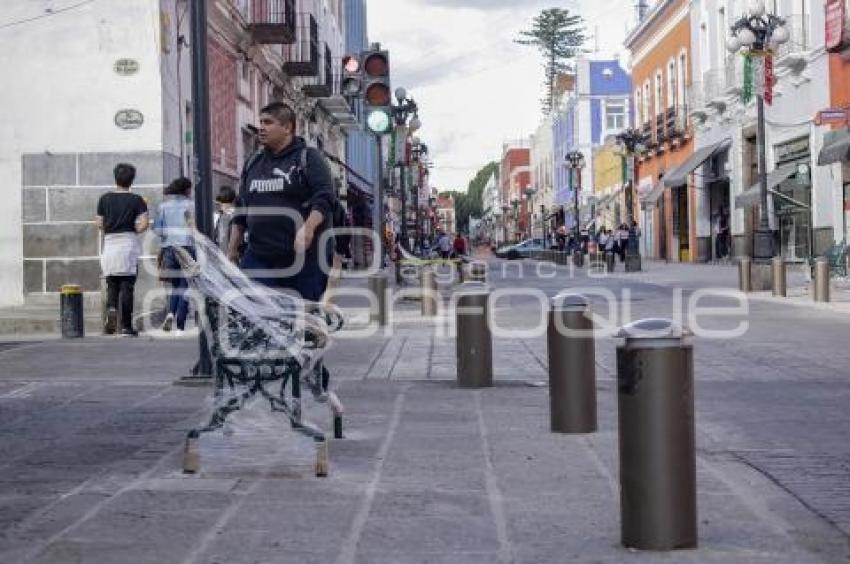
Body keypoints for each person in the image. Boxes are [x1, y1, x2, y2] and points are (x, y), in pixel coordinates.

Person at [227, 102, 335, 302]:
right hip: (259, 257)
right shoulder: (253, 163)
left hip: (304, 259)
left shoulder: (309, 158)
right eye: (260, 122)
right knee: (256, 313)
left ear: (287, 127)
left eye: (268, 122)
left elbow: (325, 198)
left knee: (304, 320)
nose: (261, 127)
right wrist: (232, 249)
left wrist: (308, 228)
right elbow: (241, 208)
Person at [96, 163, 149, 337]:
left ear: (115, 178)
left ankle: (111, 309)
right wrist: (134, 230)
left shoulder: (104, 199)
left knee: (112, 284)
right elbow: (144, 223)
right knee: (127, 286)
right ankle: (126, 326)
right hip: (128, 243)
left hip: (110, 243)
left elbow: (99, 224)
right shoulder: (137, 200)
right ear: (131, 180)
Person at [154, 177, 195, 335]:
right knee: (185, 287)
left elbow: (158, 230)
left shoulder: (163, 207)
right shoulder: (191, 206)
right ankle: (180, 326)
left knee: (176, 286)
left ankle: (171, 312)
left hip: (169, 249)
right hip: (187, 249)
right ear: (186, 190)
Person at [214, 186, 237, 253]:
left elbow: (222, 239)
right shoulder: (223, 215)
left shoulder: (227, 216)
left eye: (219, 203)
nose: (217, 205)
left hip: (227, 255)